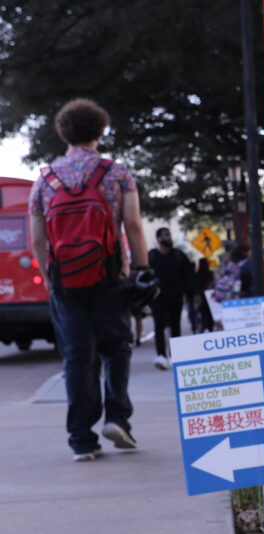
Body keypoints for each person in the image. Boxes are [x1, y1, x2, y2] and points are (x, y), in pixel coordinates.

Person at [28, 98, 150, 461]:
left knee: (78, 356)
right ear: (100, 130)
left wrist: (50, 278)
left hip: (66, 281)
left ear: (63, 132)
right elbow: (133, 224)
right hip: (110, 275)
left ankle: (81, 438)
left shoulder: (46, 179)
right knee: (117, 346)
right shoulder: (117, 173)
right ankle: (117, 418)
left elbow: (38, 239)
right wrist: (142, 269)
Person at [148, 227, 197, 369]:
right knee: (159, 325)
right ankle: (161, 355)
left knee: (175, 325)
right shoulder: (151, 256)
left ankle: (174, 355)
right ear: (159, 238)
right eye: (165, 235)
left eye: (169, 235)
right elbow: (143, 275)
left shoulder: (178, 255)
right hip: (157, 296)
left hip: (176, 295)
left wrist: (193, 293)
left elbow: (189, 275)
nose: (169, 238)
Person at [194, 257, 216, 332]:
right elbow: (213, 284)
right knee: (209, 313)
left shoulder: (197, 274)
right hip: (209, 295)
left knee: (203, 313)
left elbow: (196, 287)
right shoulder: (210, 273)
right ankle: (210, 327)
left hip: (202, 296)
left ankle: (205, 327)